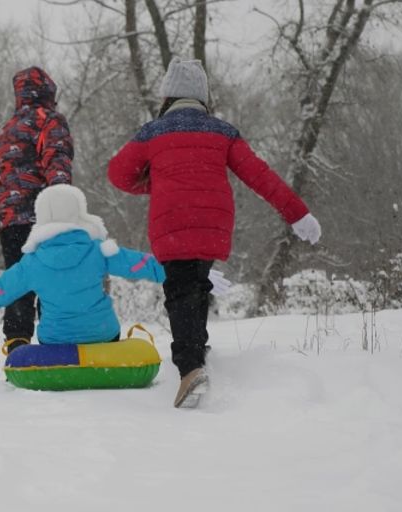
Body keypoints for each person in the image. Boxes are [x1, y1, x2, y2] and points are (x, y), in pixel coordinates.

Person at [107, 57, 322, 409]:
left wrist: (159, 184)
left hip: (171, 223)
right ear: (203, 97)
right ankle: (198, 350)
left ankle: (190, 368)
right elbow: (261, 176)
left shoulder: (153, 132)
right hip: (213, 225)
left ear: (167, 97)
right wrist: (297, 214)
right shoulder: (222, 132)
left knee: (180, 290)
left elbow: (118, 174)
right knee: (196, 284)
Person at [0, 185, 165, 348]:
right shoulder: (99, 250)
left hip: (56, 340)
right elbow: (145, 265)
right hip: (103, 334)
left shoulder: (32, 263)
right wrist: (191, 273)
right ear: (78, 212)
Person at [0, 66, 74, 352]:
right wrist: (66, 211)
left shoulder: (4, 131)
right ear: (48, 92)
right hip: (44, 219)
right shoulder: (50, 121)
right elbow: (58, 165)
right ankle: (57, 343)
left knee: (20, 282)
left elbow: (1, 177)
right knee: (55, 281)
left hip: (11, 221)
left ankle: (17, 344)